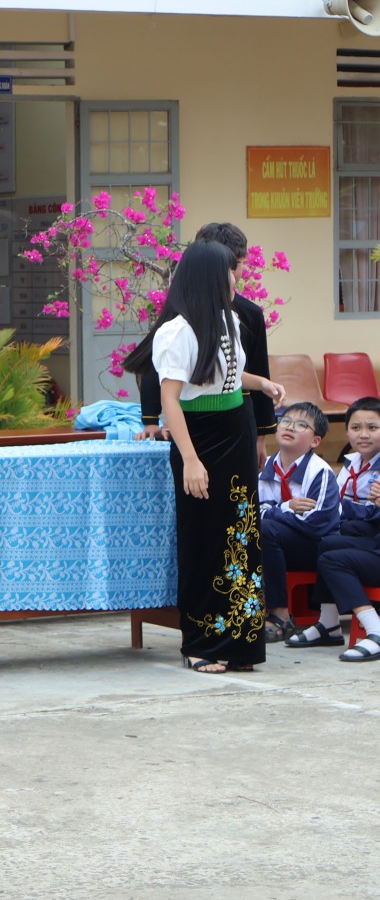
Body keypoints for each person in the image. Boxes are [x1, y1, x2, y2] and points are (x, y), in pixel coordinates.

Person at [124, 241, 286, 674]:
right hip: (201, 438)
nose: (237, 277)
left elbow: (223, 376)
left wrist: (261, 384)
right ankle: (200, 644)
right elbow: (171, 400)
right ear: (210, 278)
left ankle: (240, 644)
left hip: (236, 430)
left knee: (241, 537)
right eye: (230, 271)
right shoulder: (176, 332)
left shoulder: (229, 319)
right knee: (204, 540)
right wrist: (191, 460)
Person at [137, 222, 276, 450]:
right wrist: (151, 419)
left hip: (239, 417)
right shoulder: (180, 321)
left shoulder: (245, 315)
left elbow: (256, 367)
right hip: (197, 420)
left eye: (236, 265)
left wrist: (261, 434)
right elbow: (161, 371)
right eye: (227, 267)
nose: (233, 276)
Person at [286, 396, 380, 656]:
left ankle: (375, 629)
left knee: (333, 559)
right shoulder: (350, 463)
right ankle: (329, 623)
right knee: (328, 543)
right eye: (356, 427)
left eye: (372, 428)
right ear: (346, 431)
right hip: (368, 539)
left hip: (372, 538)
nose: (363, 434)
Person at [254, 401, 339, 643]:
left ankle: (280, 614)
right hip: (278, 544)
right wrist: (287, 507)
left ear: (315, 441)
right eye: (286, 421)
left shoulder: (320, 471)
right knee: (246, 531)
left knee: (267, 529)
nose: (290, 427)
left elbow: (316, 523)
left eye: (302, 425)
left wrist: (273, 512)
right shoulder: (266, 468)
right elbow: (254, 512)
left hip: (317, 547)